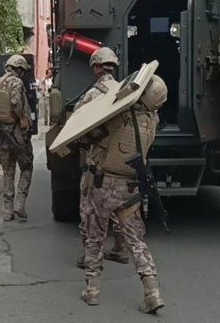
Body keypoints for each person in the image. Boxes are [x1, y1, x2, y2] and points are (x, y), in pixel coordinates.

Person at [80, 74, 168, 313]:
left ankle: (92, 291)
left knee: (95, 236)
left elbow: (86, 133)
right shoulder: (152, 121)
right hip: (129, 188)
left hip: (100, 184)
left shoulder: (117, 114)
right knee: (136, 241)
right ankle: (152, 292)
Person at [75, 47, 129, 269]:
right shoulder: (125, 91)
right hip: (121, 157)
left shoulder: (92, 95)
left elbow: (77, 123)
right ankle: (120, 248)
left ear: (96, 68)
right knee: (119, 206)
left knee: (89, 208)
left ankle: (90, 256)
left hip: (97, 159)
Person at [0, 55, 34, 221]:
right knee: (26, 166)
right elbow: (16, 102)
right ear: (19, 69)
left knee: (8, 171)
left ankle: (8, 210)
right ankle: (20, 204)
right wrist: (22, 117)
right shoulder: (17, 82)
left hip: (3, 134)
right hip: (17, 134)